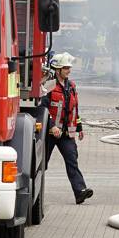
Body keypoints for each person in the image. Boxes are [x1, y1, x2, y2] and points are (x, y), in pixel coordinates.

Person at [44, 52, 94, 204]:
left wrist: (79, 128)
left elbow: (74, 109)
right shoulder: (48, 85)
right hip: (51, 133)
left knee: (72, 161)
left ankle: (80, 192)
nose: (68, 70)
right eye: (66, 68)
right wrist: (52, 127)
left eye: (69, 68)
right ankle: (32, 187)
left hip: (66, 134)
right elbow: (43, 109)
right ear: (57, 69)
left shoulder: (71, 86)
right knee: (41, 163)